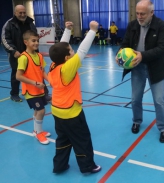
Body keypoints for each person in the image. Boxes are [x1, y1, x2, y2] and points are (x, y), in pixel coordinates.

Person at [48, 21, 101, 174]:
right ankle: (87, 167)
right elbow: (83, 50)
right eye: (71, 51)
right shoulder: (68, 68)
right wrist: (92, 31)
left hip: (57, 112)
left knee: (63, 140)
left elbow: (61, 46)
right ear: (66, 58)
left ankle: (59, 166)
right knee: (82, 140)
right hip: (72, 113)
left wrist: (68, 30)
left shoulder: (54, 65)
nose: (73, 51)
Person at [116, 0, 164, 143]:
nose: (139, 16)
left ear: (151, 13)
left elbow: (163, 47)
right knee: (135, 98)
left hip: (155, 67)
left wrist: (143, 56)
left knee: (159, 100)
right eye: (137, 13)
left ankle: (163, 128)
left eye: (143, 14)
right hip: (137, 68)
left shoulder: (160, 25)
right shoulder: (132, 25)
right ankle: (136, 121)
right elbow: (125, 43)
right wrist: (119, 53)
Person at [1, 5, 51, 102]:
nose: (23, 14)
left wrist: (35, 49)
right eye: (20, 13)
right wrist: (13, 51)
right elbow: (5, 40)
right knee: (16, 74)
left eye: (24, 12)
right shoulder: (9, 24)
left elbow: (35, 37)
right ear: (15, 13)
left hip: (33, 54)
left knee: (39, 72)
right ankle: (14, 94)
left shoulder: (30, 22)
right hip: (17, 55)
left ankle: (44, 93)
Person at [16, 30, 51, 145]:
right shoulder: (23, 57)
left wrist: (50, 80)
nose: (36, 43)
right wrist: (35, 83)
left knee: (38, 110)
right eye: (33, 41)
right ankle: (38, 133)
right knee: (41, 110)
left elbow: (42, 72)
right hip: (30, 91)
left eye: (37, 40)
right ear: (25, 42)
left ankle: (36, 130)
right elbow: (18, 76)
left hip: (39, 90)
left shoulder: (40, 56)